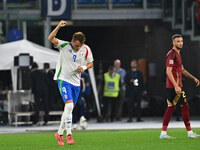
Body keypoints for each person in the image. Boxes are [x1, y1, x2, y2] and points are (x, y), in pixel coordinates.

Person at [48, 20, 94, 145]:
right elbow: (50, 38)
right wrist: (58, 26)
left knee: (68, 111)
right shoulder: (64, 46)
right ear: (72, 41)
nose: (77, 47)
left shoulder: (86, 49)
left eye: (79, 46)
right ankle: (69, 134)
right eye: (76, 44)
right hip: (64, 80)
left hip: (76, 83)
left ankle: (59, 133)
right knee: (68, 107)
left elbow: (90, 63)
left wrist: (84, 68)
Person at [160, 34, 200, 139]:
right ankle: (189, 133)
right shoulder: (171, 54)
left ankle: (164, 133)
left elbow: (182, 70)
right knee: (183, 107)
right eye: (178, 41)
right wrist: (176, 86)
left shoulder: (178, 54)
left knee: (173, 108)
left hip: (176, 86)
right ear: (173, 42)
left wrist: (193, 78)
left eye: (181, 41)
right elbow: (168, 71)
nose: (180, 43)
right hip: (174, 87)